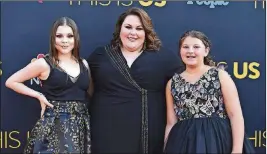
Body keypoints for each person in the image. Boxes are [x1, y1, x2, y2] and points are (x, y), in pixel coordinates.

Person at [87, 7, 180, 153]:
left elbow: (187, 82)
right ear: (119, 29)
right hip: (105, 134)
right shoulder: (101, 56)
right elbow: (82, 85)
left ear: (146, 32)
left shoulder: (163, 57)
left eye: (139, 28)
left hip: (147, 136)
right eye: (128, 27)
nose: (133, 33)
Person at [5, 17, 92, 154]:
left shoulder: (84, 64)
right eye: (59, 36)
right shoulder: (44, 64)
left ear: (76, 38)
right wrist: (38, 95)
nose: (64, 41)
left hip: (80, 126)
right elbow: (11, 81)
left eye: (70, 36)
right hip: (53, 127)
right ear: (53, 38)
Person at [164, 30, 255, 153]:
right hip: (184, 143)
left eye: (196, 47)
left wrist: (237, 150)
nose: (190, 51)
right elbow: (171, 122)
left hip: (217, 141)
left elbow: (235, 116)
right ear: (180, 51)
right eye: (185, 47)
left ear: (206, 51)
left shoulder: (220, 76)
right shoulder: (172, 83)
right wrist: (166, 148)